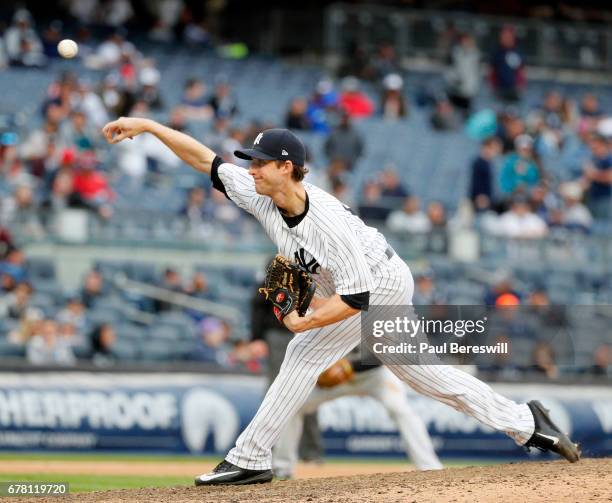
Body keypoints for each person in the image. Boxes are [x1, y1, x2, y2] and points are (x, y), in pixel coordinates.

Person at [102, 116, 581, 486]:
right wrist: (147, 126)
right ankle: (527, 422)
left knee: (301, 353)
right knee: (425, 376)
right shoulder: (260, 193)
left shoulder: (324, 221)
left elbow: (357, 297)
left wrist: (305, 322)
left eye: (259, 162)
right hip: (347, 282)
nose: (251, 168)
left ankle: (249, 459)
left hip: (380, 280)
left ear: (285, 167)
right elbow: (204, 159)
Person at [273, 355, 442, 479]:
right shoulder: (323, 311)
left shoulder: (373, 312)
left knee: (402, 410)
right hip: (334, 376)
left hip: (374, 376)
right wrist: (317, 372)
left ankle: (429, 468)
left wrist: (348, 366)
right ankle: (282, 469)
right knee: (294, 406)